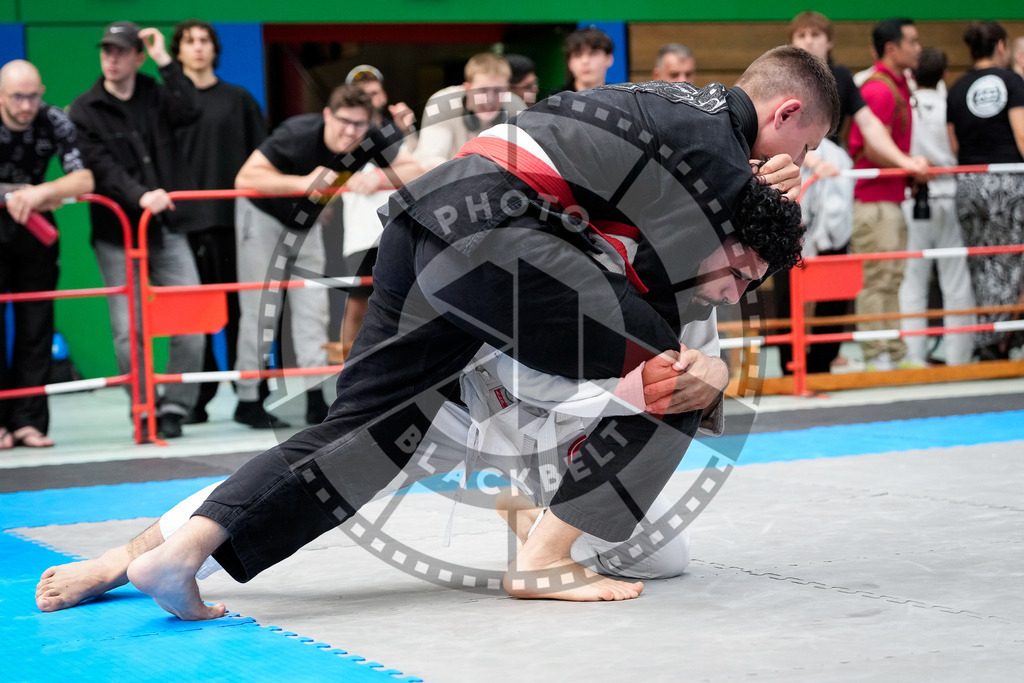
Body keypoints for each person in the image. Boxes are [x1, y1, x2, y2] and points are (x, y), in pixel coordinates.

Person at [76, 46, 837, 619]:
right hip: (496, 252)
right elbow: (699, 300)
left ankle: (184, 551)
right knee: (686, 376)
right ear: (784, 115)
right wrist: (761, 197)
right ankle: (542, 560)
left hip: (430, 222)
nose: (791, 167)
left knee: (358, 430)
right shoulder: (719, 157)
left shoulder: (670, 107)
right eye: (799, 152)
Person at [36, 310, 730, 612]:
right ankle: (117, 561)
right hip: (454, 405)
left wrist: (714, 377)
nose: (738, 285)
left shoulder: (701, 280)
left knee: (666, 558)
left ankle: (536, 523)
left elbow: (707, 370)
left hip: (562, 444)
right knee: (303, 478)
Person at [232, 85, 420, 428]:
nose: (350, 131)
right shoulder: (297, 133)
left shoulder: (369, 139)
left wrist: (379, 174)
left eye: (359, 124)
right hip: (263, 215)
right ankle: (248, 398)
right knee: (260, 304)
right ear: (327, 116)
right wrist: (301, 181)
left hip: (307, 221)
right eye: (344, 121)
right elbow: (245, 177)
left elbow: (416, 169)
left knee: (313, 304)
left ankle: (316, 398)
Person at [69, 22, 205, 440]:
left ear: (137, 56)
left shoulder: (154, 90)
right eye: (106, 50)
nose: (111, 57)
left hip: (166, 227)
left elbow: (190, 109)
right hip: (118, 234)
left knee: (191, 320)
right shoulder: (84, 108)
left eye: (121, 50)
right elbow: (101, 169)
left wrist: (166, 58)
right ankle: (143, 407)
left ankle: (173, 408)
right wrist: (142, 195)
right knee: (130, 330)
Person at [779, 11, 929, 375]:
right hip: (792, 182)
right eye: (802, 34)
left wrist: (904, 162)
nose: (810, 40)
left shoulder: (842, 78)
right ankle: (790, 363)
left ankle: (822, 361)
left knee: (835, 270)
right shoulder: (781, 76)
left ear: (829, 41)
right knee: (786, 271)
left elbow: (870, 127)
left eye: (817, 34)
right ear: (792, 41)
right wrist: (810, 161)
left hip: (833, 188)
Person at [171, 19, 267, 425]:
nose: (197, 48)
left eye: (204, 41)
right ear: (177, 51)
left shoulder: (237, 99)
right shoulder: (168, 102)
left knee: (243, 312)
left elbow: (261, 157)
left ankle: (250, 398)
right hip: (183, 225)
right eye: (189, 42)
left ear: (215, 49)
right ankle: (195, 399)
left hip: (234, 221)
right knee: (194, 317)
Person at [0, 60, 94, 450]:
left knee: (36, 325)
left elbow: (84, 178)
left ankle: (27, 422)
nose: (26, 106)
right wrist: (11, 193)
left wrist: (38, 193)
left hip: (35, 227)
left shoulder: (53, 119)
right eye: (17, 97)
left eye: (33, 96)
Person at [847, 18, 925, 371]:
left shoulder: (896, 85)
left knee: (891, 277)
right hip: (875, 201)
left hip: (888, 198)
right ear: (892, 48)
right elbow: (870, 147)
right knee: (879, 278)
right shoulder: (879, 90)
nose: (919, 48)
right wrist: (909, 164)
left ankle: (892, 352)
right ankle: (877, 353)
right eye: (913, 41)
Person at [328, 66, 419, 363]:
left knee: (407, 304)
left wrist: (408, 131)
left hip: (399, 226)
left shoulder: (397, 131)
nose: (369, 97)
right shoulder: (343, 134)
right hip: (360, 232)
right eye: (362, 93)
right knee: (357, 305)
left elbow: (420, 170)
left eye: (374, 91)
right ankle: (349, 376)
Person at [947, 21, 1024, 360]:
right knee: (1007, 261)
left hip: (968, 182)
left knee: (981, 262)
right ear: (1002, 47)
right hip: (1007, 179)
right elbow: (1022, 136)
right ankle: (995, 340)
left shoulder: (957, 87)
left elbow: (953, 144)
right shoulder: (1013, 81)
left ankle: (991, 336)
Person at [898, 49, 976, 367]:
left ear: (912, 75)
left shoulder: (906, 107)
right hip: (947, 193)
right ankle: (960, 357)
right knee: (955, 281)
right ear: (944, 75)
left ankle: (914, 357)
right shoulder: (950, 104)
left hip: (911, 195)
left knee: (912, 280)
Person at [413, 53, 525, 172]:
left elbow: (522, 160)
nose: (490, 100)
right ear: (467, 88)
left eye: (498, 91)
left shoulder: (515, 106)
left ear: (507, 88)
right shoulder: (443, 103)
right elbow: (430, 161)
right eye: (482, 90)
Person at [553, 27, 615, 93]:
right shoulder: (557, 99)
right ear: (569, 63)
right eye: (578, 55)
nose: (585, 61)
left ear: (609, 59)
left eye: (593, 54)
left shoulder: (619, 98)